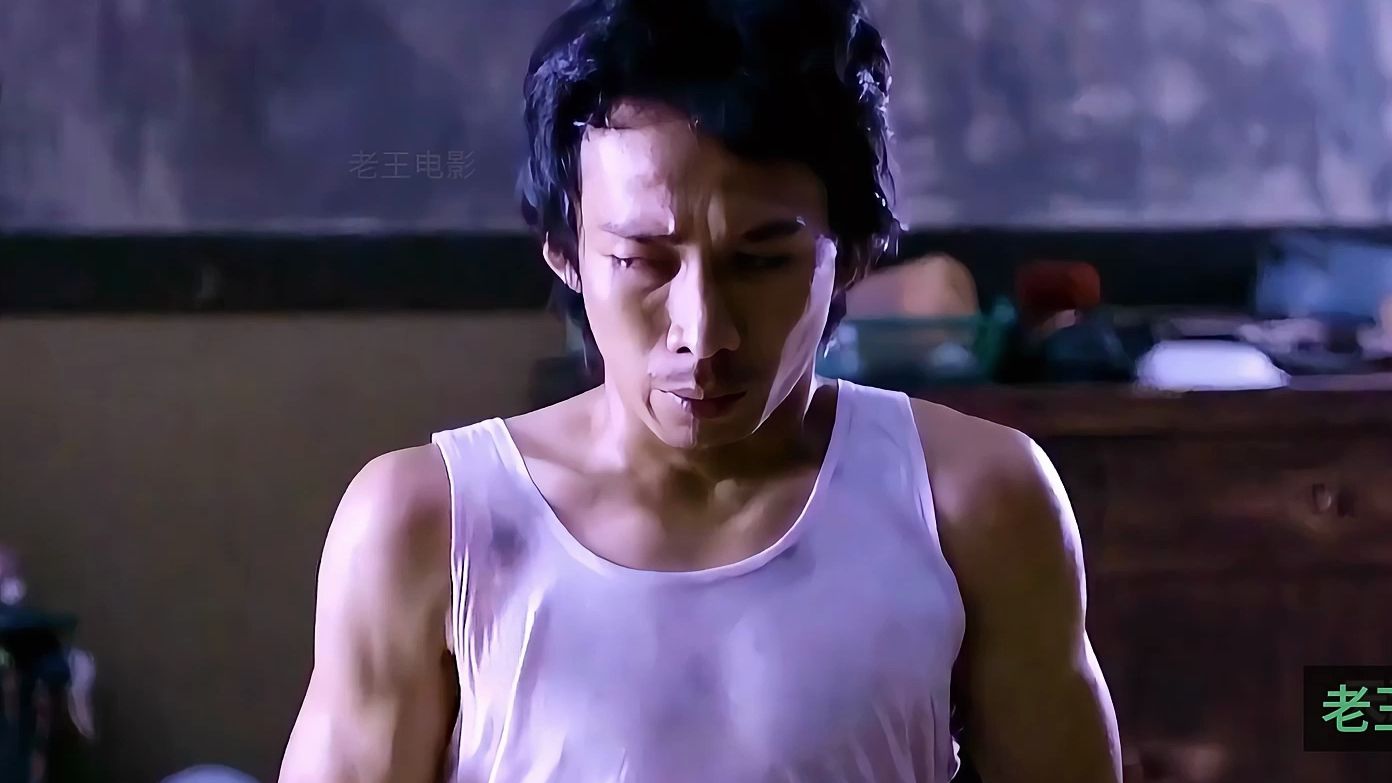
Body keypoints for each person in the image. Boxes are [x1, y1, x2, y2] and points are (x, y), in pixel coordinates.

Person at [279, 0, 1122, 780]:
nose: (703, 331)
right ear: (565, 252)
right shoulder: (427, 527)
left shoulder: (973, 503)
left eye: (761, 261)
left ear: (852, 255)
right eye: (642, 261)